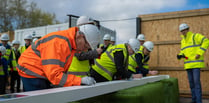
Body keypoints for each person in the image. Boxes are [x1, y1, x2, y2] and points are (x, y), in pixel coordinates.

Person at [17, 24, 100, 91]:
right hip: (32, 70)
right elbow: (54, 75)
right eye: (86, 46)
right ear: (79, 36)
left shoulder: (70, 45)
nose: (85, 50)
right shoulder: (60, 43)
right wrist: (80, 81)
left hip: (40, 71)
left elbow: (58, 72)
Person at [177, 23, 209, 103]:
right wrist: (180, 55)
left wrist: (199, 53)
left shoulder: (195, 36)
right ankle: (194, 100)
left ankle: (198, 101)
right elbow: (183, 51)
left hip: (196, 65)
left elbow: (206, 41)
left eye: (184, 30)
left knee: (196, 83)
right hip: (188, 65)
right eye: (182, 31)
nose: (183, 32)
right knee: (191, 84)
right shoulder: (183, 41)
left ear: (188, 29)